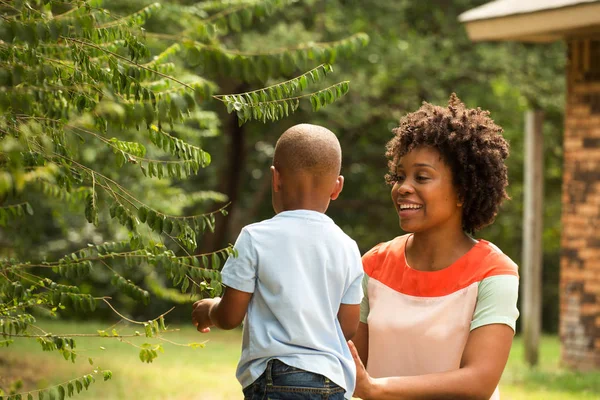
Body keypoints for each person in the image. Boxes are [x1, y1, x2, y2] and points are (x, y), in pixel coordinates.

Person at [349, 94, 519, 400]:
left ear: (462, 192)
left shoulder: (494, 272)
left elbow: (478, 382)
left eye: (422, 177)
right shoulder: (373, 265)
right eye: (400, 176)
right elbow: (350, 365)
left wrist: (378, 389)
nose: (403, 187)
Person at [192, 123, 364, 400]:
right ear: (337, 187)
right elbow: (347, 326)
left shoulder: (255, 237)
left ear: (275, 179)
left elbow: (230, 316)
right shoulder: (347, 247)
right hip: (332, 382)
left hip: (276, 380)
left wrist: (209, 309)